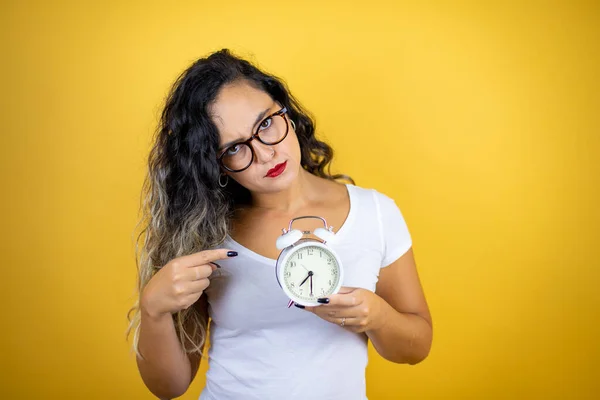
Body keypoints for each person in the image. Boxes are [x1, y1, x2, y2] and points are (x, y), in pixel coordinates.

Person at [127, 49, 433, 400]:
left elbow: (416, 347)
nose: (265, 153)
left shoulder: (374, 213)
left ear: (286, 110)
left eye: (266, 124)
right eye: (235, 149)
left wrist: (377, 317)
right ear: (215, 165)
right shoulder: (207, 234)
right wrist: (153, 309)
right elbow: (169, 387)